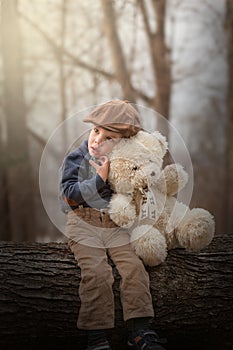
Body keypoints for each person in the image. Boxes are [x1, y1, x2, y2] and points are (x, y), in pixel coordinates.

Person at [59, 100, 166, 350]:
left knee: (134, 268)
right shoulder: (77, 157)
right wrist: (99, 179)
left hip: (114, 224)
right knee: (97, 273)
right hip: (82, 221)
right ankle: (96, 336)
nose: (97, 140)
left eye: (109, 137)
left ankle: (139, 330)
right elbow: (68, 194)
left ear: (123, 142)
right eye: (96, 131)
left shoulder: (123, 161)